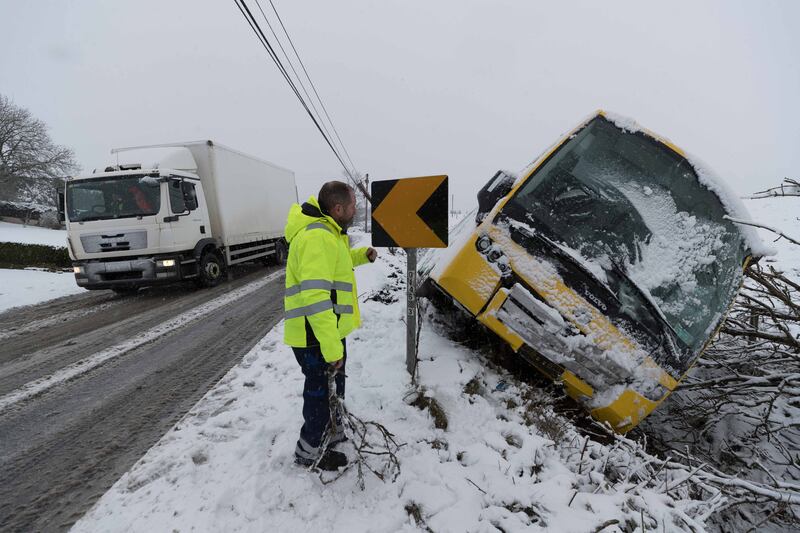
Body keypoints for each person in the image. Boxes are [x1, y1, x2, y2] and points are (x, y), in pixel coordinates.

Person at [283, 181, 378, 471]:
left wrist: (361, 256)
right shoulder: (317, 238)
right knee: (319, 395)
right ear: (338, 209)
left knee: (333, 386)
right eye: (352, 206)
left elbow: (336, 264)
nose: (355, 210)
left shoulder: (330, 234)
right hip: (316, 336)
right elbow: (316, 297)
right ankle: (309, 452)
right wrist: (331, 346)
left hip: (327, 333)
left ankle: (332, 431)